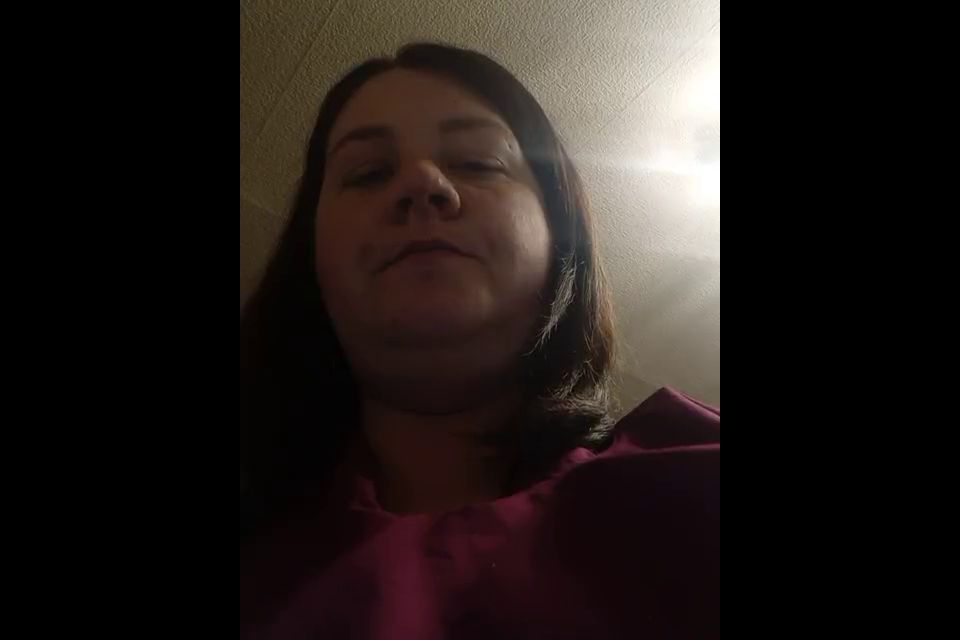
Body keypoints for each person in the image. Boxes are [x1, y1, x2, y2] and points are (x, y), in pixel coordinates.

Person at [241, 43, 719, 639]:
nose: (422, 182)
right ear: (311, 259)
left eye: (477, 161)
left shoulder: (698, 478)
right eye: (367, 173)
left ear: (559, 237)